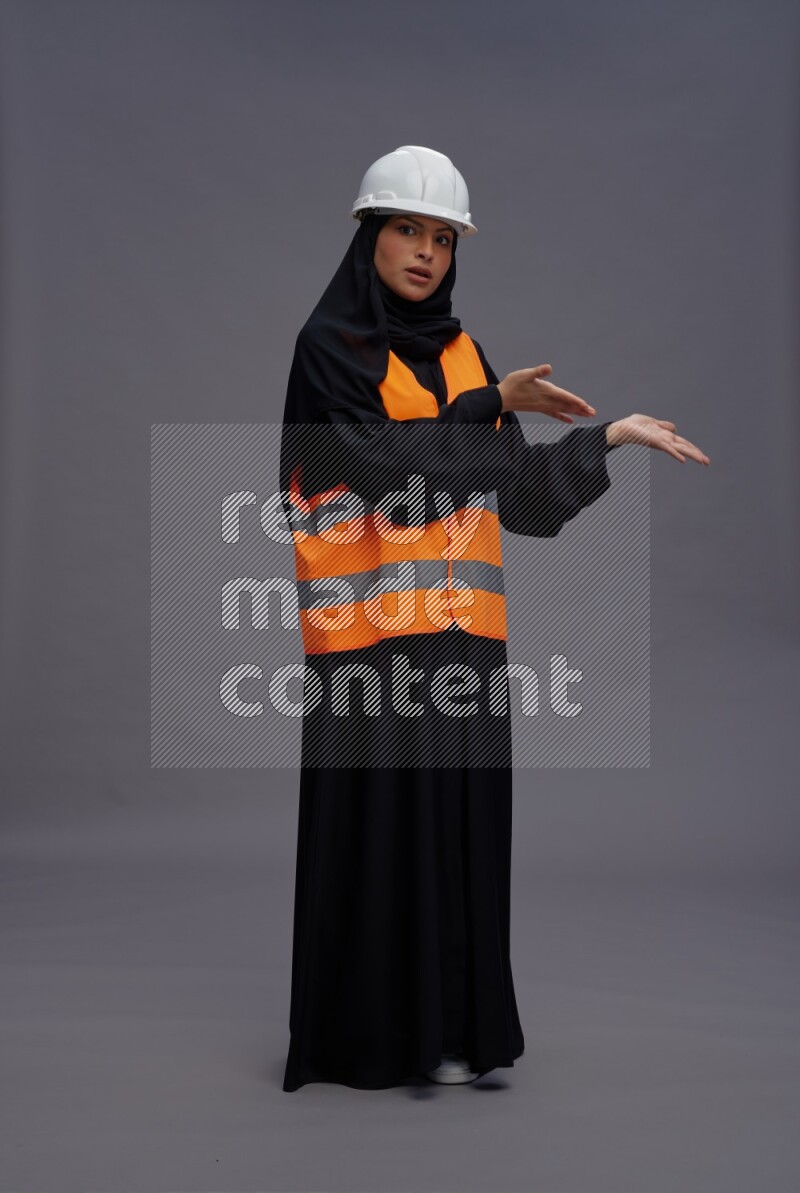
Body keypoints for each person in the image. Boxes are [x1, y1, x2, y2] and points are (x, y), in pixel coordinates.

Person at [279, 145, 709, 1092]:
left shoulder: (469, 357)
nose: (426, 252)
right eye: (407, 230)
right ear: (369, 237)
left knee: (457, 831)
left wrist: (606, 440)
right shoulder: (330, 348)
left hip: (463, 645)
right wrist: (488, 406)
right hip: (366, 650)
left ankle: (450, 1030)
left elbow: (519, 495)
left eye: (442, 237)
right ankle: (365, 1041)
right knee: (379, 834)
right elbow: (379, 469)